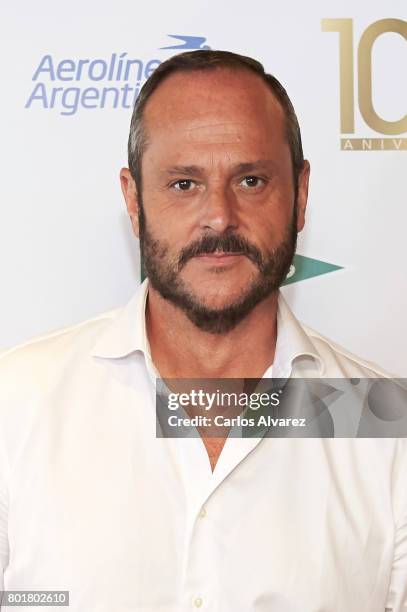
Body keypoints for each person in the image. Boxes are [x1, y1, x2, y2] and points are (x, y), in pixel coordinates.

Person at [0, 50, 405, 611]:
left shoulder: (388, 426)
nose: (219, 216)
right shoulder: (16, 403)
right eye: (184, 183)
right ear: (134, 200)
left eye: (252, 179)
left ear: (301, 194)